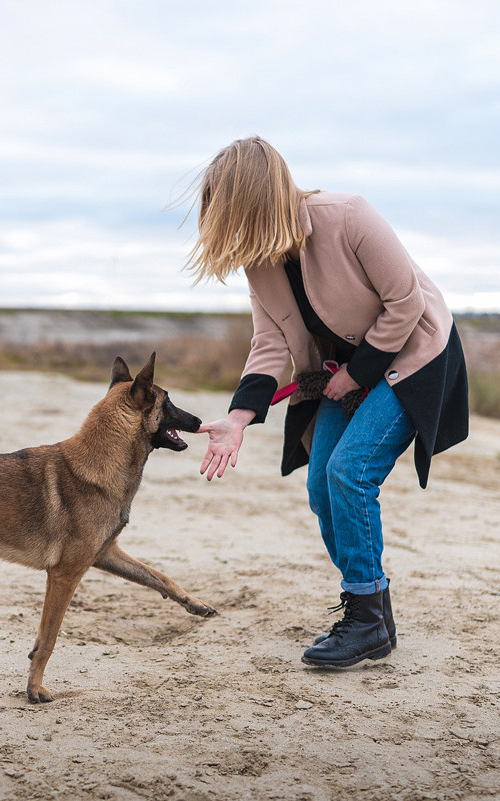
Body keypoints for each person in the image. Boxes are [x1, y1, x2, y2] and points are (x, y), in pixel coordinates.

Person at [187, 136, 468, 668]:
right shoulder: (260, 262)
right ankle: (374, 611)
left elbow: (406, 301)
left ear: (256, 200)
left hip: (411, 355)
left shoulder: (348, 216)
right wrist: (240, 418)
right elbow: (270, 342)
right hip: (340, 370)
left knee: (350, 470)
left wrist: (359, 374)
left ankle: (363, 617)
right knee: (322, 483)